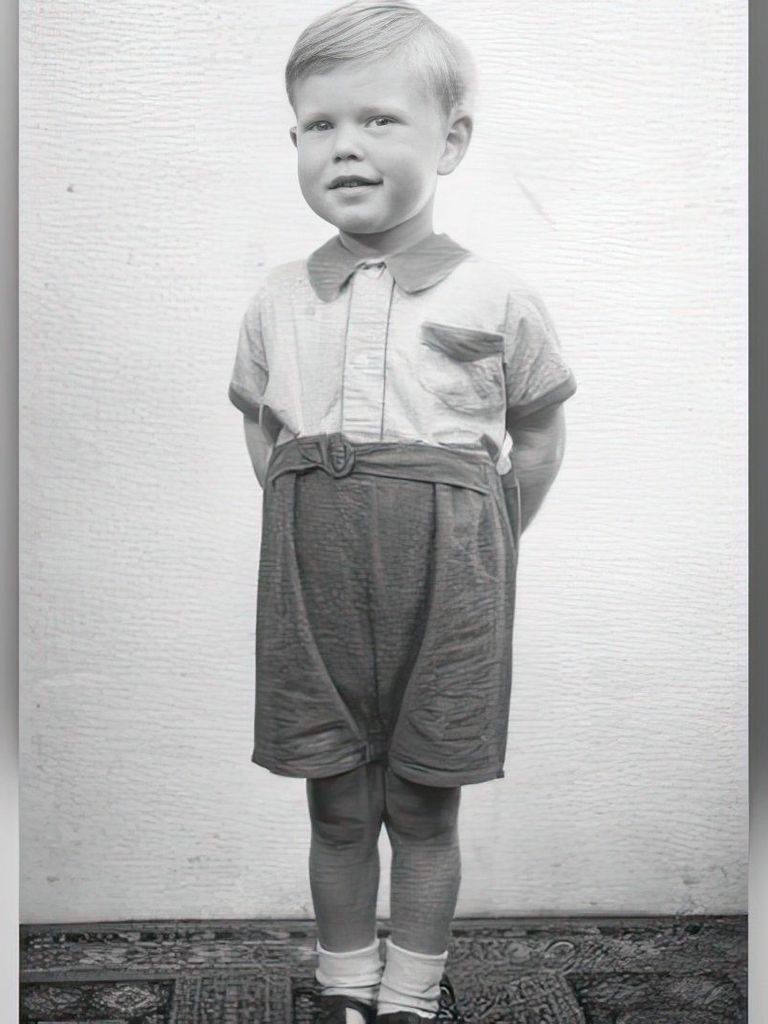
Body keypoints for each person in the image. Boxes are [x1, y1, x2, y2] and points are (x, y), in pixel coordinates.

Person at [228, 2, 577, 1021]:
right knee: (337, 801)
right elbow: (263, 428)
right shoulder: (278, 297)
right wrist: (311, 521)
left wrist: (484, 542)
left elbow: (537, 437)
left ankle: (412, 993)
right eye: (319, 124)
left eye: (379, 119)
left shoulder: (496, 296)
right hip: (316, 586)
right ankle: (346, 986)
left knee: (424, 802)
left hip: (448, 585)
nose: (345, 145)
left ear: (450, 142)